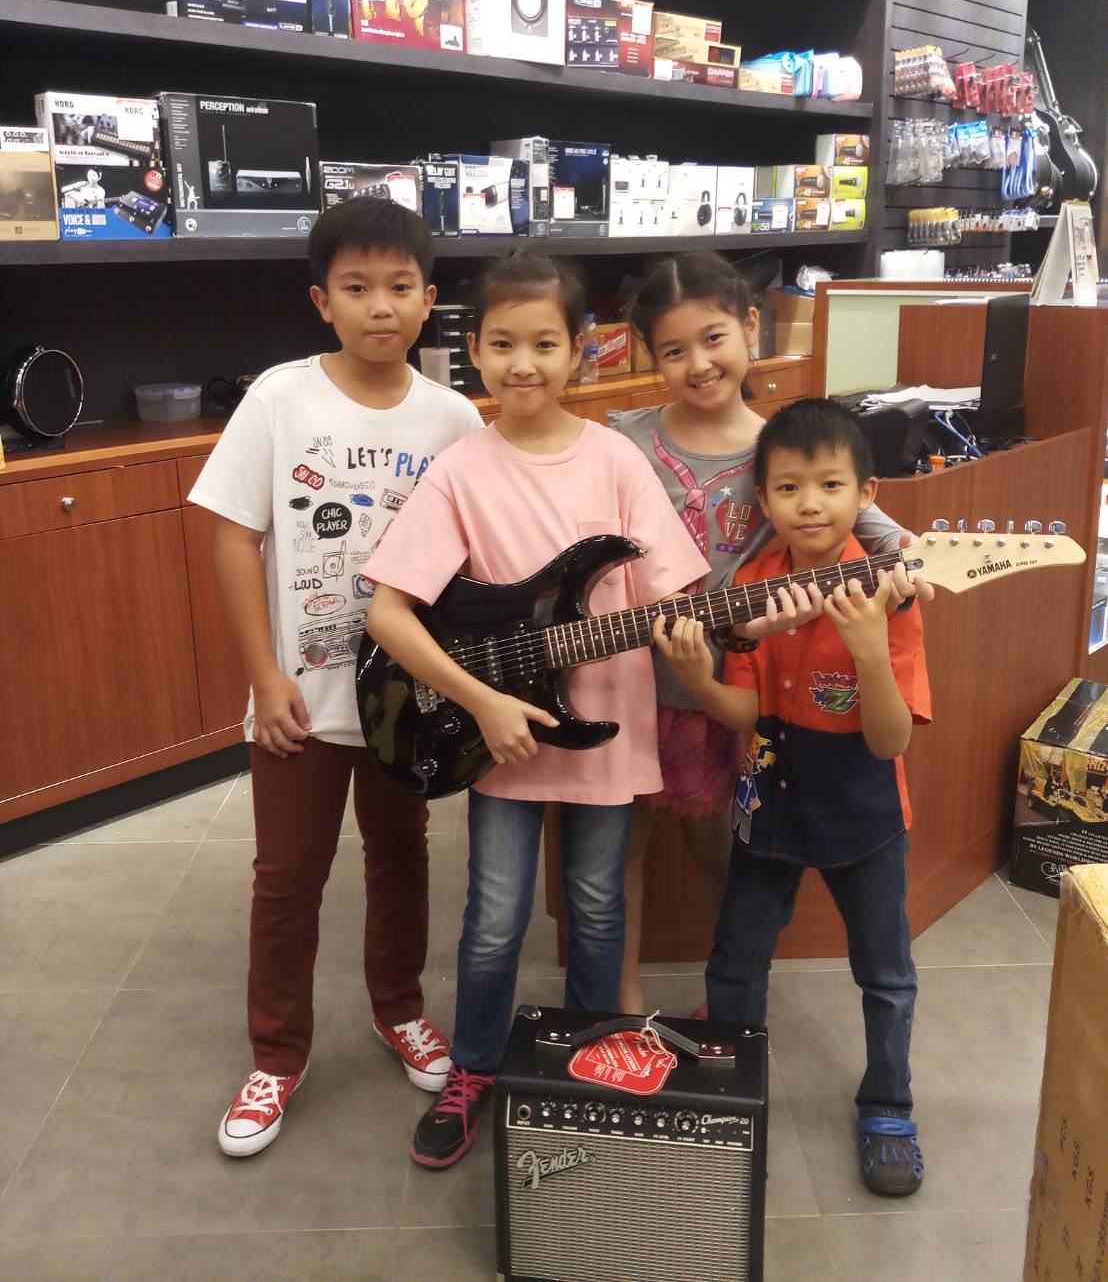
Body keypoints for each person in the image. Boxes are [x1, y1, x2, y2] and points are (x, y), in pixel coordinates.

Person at [364, 250, 708, 1170]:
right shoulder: (459, 471)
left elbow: (673, 590)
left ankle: (592, 1064)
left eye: (546, 343)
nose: (524, 363)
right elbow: (387, 612)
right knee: (494, 916)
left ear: (580, 351)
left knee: (596, 906)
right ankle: (474, 1067)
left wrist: (716, 627)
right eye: (504, 343)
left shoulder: (617, 460)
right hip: (499, 737)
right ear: (473, 350)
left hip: (606, 727)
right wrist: (482, 702)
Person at [189, 198, 483, 1158]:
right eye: (356, 288)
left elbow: (472, 558)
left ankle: (398, 1008)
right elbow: (234, 538)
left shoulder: (454, 416)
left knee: (402, 856)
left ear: (430, 299)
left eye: (400, 287)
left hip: (407, 701)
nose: (380, 306)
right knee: (286, 877)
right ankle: (277, 1054)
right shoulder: (280, 398)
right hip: (299, 701)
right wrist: (262, 675)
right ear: (322, 301)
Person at [611, 252, 928, 1016]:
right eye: (673, 349)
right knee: (620, 844)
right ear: (650, 355)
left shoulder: (781, 448)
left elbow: (879, 528)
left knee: (723, 842)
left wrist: (910, 560)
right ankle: (620, 993)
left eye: (713, 338)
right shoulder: (625, 438)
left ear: (750, 325)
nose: (698, 363)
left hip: (729, 682)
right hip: (625, 677)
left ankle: (732, 989)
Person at [656, 397, 931, 1197]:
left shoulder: (890, 592)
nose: (809, 504)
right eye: (788, 488)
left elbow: (891, 741)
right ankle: (729, 1084)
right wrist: (699, 680)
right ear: (764, 500)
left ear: (866, 493)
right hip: (768, 797)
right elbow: (745, 712)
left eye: (830, 485)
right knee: (736, 955)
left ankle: (888, 1103)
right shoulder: (751, 583)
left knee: (885, 971)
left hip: (864, 807)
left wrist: (870, 650)